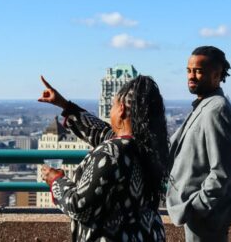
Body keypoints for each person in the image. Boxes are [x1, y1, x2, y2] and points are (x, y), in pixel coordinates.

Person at [39, 75, 169, 242]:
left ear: (121, 109)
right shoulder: (148, 146)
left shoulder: (111, 152)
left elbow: (80, 207)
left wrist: (56, 180)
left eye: (113, 106)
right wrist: (64, 104)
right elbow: (101, 132)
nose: (111, 111)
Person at [166, 46, 231, 242]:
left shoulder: (216, 110)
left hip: (206, 218)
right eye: (189, 70)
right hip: (201, 216)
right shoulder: (205, 105)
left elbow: (221, 171)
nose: (191, 76)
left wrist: (196, 207)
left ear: (217, 75)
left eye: (199, 71)